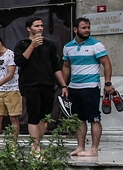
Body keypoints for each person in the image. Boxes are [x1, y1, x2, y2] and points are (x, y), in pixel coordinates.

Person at [13, 16, 66, 152]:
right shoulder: (22, 44)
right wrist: (32, 46)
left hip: (47, 84)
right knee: (33, 114)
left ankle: (37, 142)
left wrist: (63, 85)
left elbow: (55, 67)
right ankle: (35, 146)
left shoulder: (49, 45)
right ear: (29, 28)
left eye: (41, 26)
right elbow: (20, 62)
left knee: (45, 115)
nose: (40, 28)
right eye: (36, 26)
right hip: (30, 84)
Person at [62, 16, 113, 157]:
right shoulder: (68, 47)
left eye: (88, 27)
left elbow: (106, 64)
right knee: (78, 119)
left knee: (94, 118)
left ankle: (94, 149)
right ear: (75, 29)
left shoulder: (96, 45)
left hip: (91, 87)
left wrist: (108, 83)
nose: (87, 30)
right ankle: (80, 147)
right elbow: (66, 66)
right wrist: (64, 85)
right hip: (74, 87)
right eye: (84, 28)